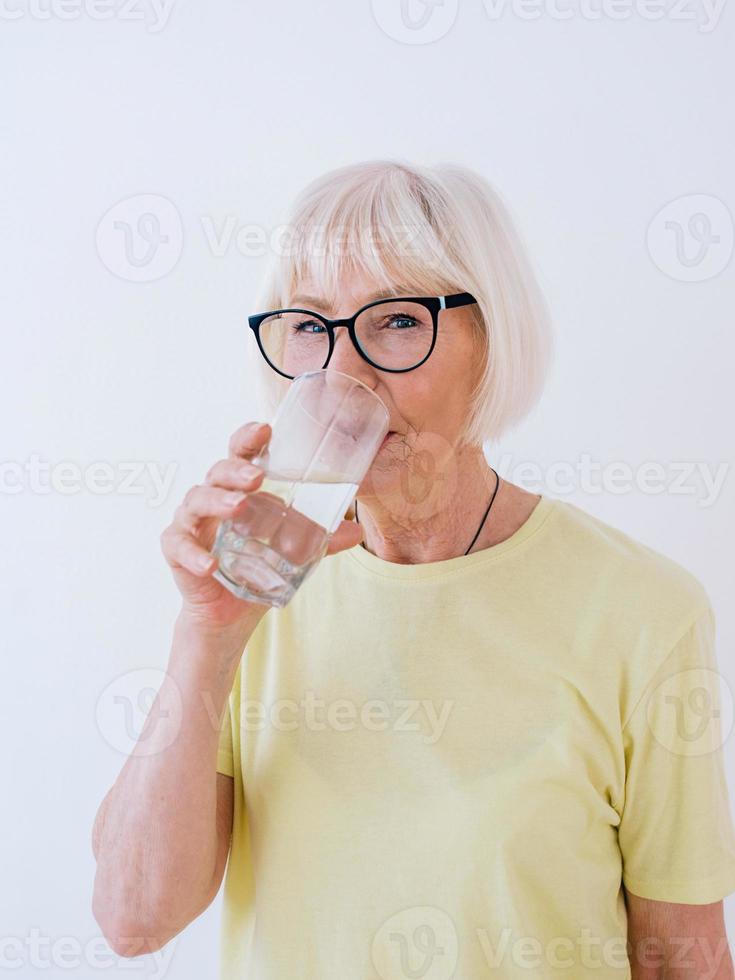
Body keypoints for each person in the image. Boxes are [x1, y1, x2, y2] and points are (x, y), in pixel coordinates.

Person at [92, 159, 735, 978]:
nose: (343, 372)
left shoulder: (642, 610)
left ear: (491, 339)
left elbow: (682, 958)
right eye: (309, 326)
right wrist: (205, 636)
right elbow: (132, 921)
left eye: (397, 321)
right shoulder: (251, 590)